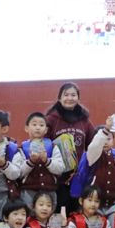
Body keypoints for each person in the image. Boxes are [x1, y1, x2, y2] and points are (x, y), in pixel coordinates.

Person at [70, 112, 115, 223]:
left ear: (113, 141)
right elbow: (95, 146)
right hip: (94, 204)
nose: (105, 141)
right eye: (103, 138)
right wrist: (106, 130)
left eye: (108, 138)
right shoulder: (91, 155)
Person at [45, 82, 98, 215]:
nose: (70, 98)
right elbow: (44, 145)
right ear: (59, 98)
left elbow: (93, 146)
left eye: (73, 95)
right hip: (57, 177)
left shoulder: (84, 120)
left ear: (78, 98)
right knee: (59, 213)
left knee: (76, 214)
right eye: (66, 95)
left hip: (78, 177)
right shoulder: (51, 119)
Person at [16, 112, 66, 209]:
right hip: (28, 192)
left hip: (49, 191)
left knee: (47, 216)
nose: (38, 128)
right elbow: (19, 173)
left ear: (46, 130)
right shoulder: (21, 148)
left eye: (41, 125)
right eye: (34, 124)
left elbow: (60, 169)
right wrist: (31, 162)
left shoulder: (52, 146)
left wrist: (47, 161)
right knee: (29, 216)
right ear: (26, 128)